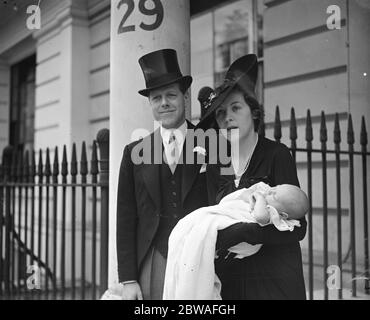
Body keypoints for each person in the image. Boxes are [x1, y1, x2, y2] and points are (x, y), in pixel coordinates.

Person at [196, 53, 308, 300]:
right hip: (230, 281)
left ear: (254, 113)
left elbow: (299, 228)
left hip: (274, 280)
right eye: (220, 113)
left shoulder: (276, 154)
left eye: (236, 108)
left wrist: (249, 232)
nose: (227, 118)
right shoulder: (216, 163)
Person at [116, 49, 209, 300]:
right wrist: (128, 279)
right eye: (156, 98)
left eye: (171, 95)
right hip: (153, 257)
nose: (164, 102)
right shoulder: (134, 152)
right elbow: (126, 216)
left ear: (185, 96)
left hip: (200, 256)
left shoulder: (212, 145)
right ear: (150, 103)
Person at [162, 181, 308, 300]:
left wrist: (260, 199)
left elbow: (260, 217)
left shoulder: (272, 214)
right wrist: (252, 194)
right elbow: (235, 198)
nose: (270, 191)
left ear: (283, 214)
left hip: (259, 269)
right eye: (275, 187)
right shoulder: (264, 193)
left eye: (275, 195)